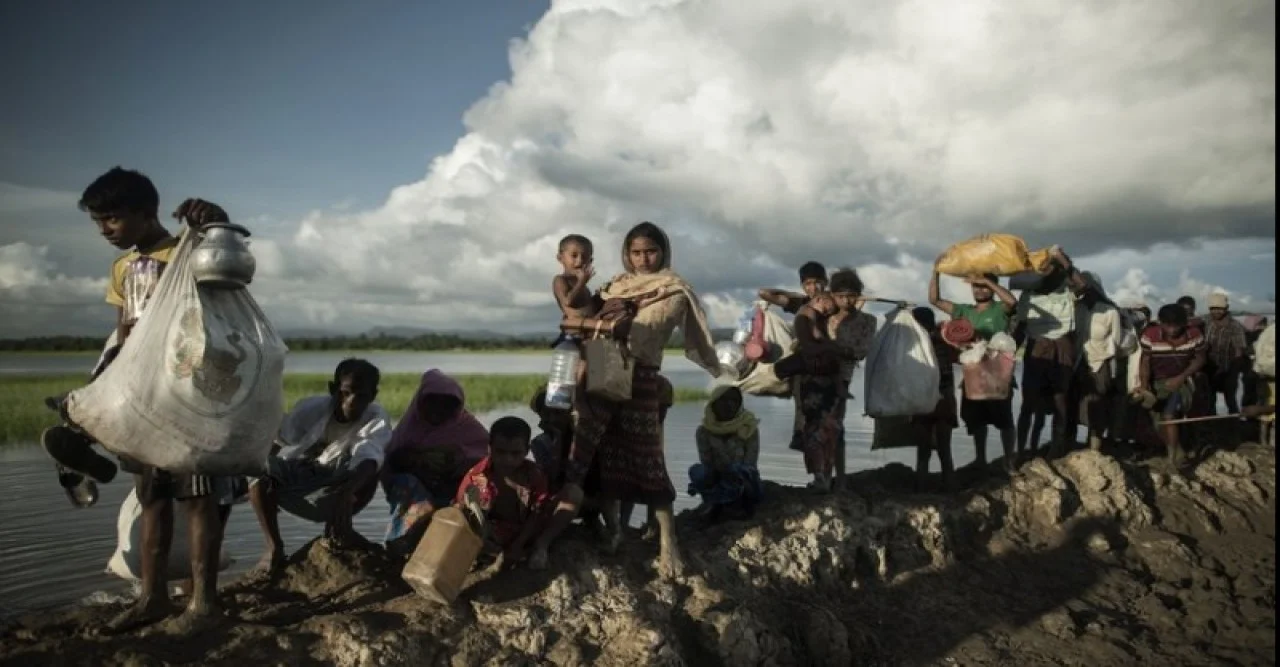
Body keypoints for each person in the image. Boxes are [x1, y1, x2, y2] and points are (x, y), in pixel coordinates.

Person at [38, 168, 238, 634]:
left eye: (111, 218)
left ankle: (205, 601)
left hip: (190, 393)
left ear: (145, 213)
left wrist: (217, 221)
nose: (105, 229)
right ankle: (152, 598)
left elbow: (228, 266)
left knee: (199, 497)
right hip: (145, 396)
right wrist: (102, 388)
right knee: (152, 495)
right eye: (98, 222)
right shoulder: (123, 268)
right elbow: (124, 331)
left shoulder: (189, 251)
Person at [534, 222, 721, 579]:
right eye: (636, 252)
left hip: (642, 377)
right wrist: (596, 327)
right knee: (591, 453)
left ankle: (669, 544)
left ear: (663, 251)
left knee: (647, 457)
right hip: (602, 368)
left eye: (650, 251)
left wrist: (592, 327)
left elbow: (638, 333)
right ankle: (613, 532)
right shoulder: (612, 287)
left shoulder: (674, 291)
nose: (643, 259)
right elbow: (573, 318)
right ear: (626, 254)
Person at [248, 359, 391, 576]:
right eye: (345, 393)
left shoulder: (376, 418)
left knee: (373, 467)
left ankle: (340, 530)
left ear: (372, 396)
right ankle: (273, 547)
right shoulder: (311, 408)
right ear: (333, 390)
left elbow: (368, 456)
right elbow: (279, 439)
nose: (351, 402)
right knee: (258, 468)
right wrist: (261, 485)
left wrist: (349, 490)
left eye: (361, 396)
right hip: (307, 475)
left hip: (343, 481)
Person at [381, 369, 490, 557]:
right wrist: (417, 463)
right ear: (421, 402)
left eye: (446, 405)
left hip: (452, 488)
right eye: (432, 403)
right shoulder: (409, 429)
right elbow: (392, 464)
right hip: (414, 490)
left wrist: (453, 468)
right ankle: (400, 543)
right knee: (416, 497)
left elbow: (484, 463)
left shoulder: (467, 428)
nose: (438, 410)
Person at [929, 269, 1018, 470]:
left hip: (998, 371)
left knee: (1005, 418)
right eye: (976, 286)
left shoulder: (999, 309)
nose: (980, 290)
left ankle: (1009, 461)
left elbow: (1012, 302)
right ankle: (980, 459)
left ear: (993, 288)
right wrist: (936, 272)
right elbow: (934, 299)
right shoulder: (965, 311)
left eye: (984, 286)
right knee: (977, 419)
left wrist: (987, 279)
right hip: (973, 372)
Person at [456, 417, 552, 568]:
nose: (507, 459)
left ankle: (533, 548)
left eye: (515, 453)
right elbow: (463, 511)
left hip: (526, 530)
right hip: (492, 532)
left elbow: (537, 513)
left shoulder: (534, 474)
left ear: (527, 451)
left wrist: (518, 545)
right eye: (500, 452)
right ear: (490, 448)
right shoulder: (476, 476)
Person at [1014, 247, 1082, 457]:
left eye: (1049, 266)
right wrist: (1008, 354)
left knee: (1060, 398)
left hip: (1062, 345)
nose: (1044, 270)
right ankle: (1022, 449)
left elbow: (1081, 285)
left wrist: (1063, 259)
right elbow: (1021, 327)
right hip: (1037, 346)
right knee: (1029, 402)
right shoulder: (1028, 294)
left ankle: (1056, 447)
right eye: (1041, 267)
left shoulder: (1066, 290)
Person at [758, 261, 829, 453]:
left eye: (816, 283)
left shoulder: (834, 303)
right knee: (803, 412)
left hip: (827, 368)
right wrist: (794, 294)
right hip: (803, 367)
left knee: (826, 418)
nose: (812, 288)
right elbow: (764, 293)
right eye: (807, 284)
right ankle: (814, 472)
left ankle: (826, 474)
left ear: (826, 282)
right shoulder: (800, 303)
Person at [1135, 304, 1208, 466]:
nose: (1172, 330)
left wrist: (1181, 377)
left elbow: (1200, 358)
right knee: (1156, 419)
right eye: (1168, 325)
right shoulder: (1150, 335)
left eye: (1176, 325)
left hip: (1183, 381)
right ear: (1161, 323)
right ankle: (1177, 449)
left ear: (1184, 323)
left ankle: (1173, 457)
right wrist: (1145, 386)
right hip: (1157, 381)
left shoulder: (1194, 335)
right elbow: (1145, 362)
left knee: (1169, 414)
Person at [825, 268, 877, 488]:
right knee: (819, 429)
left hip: (842, 377)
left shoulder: (867, 320)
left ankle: (841, 479)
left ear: (858, 295)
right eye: (840, 296)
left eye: (851, 296)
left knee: (836, 426)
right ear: (832, 295)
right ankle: (824, 478)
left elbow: (861, 351)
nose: (846, 301)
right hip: (816, 376)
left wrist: (830, 348)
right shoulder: (822, 314)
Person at [1072, 273, 1131, 452]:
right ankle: (1071, 444)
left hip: (1100, 364)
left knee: (1097, 405)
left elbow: (1117, 341)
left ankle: (1095, 447)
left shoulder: (1110, 311)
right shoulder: (1077, 309)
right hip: (1078, 363)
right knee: (1076, 404)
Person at [689, 386, 763, 522]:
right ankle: (716, 503)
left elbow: (750, 463)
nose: (729, 405)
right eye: (723, 401)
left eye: (734, 401)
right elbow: (707, 462)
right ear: (714, 404)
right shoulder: (704, 431)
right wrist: (720, 473)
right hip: (718, 477)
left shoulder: (748, 427)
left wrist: (732, 471)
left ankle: (739, 505)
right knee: (696, 471)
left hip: (745, 481)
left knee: (738, 470)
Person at [908, 307, 959, 490]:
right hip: (945, 400)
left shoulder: (914, 346)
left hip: (923, 402)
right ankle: (950, 488)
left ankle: (921, 489)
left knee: (923, 451)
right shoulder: (943, 342)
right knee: (945, 449)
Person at [1205, 293, 1249, 416]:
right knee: (1209, 400)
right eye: (1213, 309)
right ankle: (1212, 426)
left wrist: (1232, 371)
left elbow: (1239, 351)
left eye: (1219, 308)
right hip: (1209, 369)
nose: (1216, 312)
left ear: (1226, 308)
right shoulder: (1206, 322)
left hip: (1229, 369)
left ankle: (1233, 425)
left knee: (1231, 400)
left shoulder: (1235, 326)